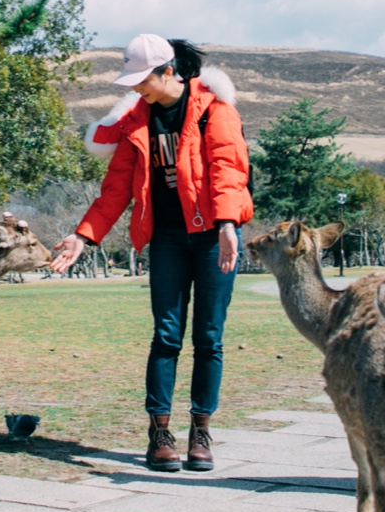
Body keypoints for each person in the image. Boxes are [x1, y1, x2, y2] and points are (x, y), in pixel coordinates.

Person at [48, 35, 252, 472]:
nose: (136, 87)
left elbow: (228, 172)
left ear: (167, 72)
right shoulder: (135, 122)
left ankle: (200, 430)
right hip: (166, 240)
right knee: (166, 335)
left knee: (209, 338)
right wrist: (82, 237)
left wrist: (228, 225)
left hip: (214, 238)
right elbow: (116, 190)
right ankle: (159, 433)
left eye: (142, 78)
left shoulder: (215, 111)